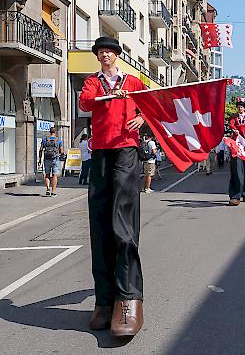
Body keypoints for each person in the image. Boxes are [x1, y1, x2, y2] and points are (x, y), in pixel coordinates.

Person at [78, 36, 147, 336]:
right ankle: (104, 300)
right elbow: (84, 102)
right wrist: (106, 96)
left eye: (109, 52)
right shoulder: (94, 83)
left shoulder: (132, 81)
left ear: (118, 55)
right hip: (101, 150)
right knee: (100, 222)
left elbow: (150, 106)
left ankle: (128, 297)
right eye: (101, 53)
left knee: (123, 221)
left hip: (127, 149)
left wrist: (141, 118)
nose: (105, 56)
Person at [38, 127, 63, 197]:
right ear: (55, 132)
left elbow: (40, 150)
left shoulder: (45, 139)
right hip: (55, 159)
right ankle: (53, 192)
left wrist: (40, 159)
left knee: (47, 174)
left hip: (46, 159)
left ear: (49, 132)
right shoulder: (58, 140)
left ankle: (48, 189)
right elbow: (61, 151)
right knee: (54, 175)